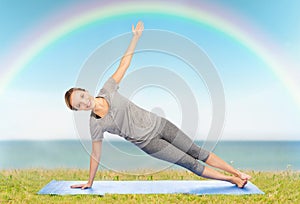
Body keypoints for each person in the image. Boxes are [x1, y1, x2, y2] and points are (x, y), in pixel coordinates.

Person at [65, 21, 251, 190]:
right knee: (190, 163)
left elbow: (124, 64)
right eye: (79, 104)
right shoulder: (95, 124)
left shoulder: (108, 89)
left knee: (196, 151)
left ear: (85, 90)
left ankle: (237, 173)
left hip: (161, 124)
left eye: (81, 96)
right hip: (150, 143)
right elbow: (95, 154)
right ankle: (232, 181)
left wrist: (135, 38)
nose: (84, 102)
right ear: (79, 110)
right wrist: (90, 182)